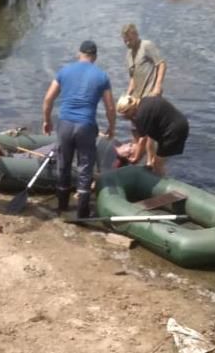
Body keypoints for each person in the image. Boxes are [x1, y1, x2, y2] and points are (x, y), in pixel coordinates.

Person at [42, 40, 116, 219]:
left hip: (65, 123)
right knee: (85, 167)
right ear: (95, 57)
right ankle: (82, 212)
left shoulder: (64, 71)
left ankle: (62, 207)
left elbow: (48, 99)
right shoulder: (102, 76)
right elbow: (110, 108)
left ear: (79, 54)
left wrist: (46, 121)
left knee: (64, 164)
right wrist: (112, 127)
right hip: (86, 125)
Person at [116, 94, 189, 176]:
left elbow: (142, 140)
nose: (124, 118)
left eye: (125, 116)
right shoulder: (145, 100)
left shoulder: (141, 116)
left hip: (173, 131)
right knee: (151, 138)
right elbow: (147, 137)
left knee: (158, 163)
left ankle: (160, 181)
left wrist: (136, 158)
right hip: (180, 122)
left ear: (129, 110)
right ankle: (150, 163)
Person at [121, 23, 166, 99]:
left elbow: (162, 64)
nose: (128, 43)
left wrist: (158, 86)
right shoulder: (129, 54)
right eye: (125, 41)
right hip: (137, 98)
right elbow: (133, 79)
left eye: (130, 40)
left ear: (136, 35)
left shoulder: (146, 46)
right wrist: (127, 95)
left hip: (151, 95)